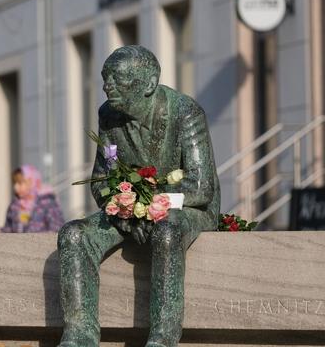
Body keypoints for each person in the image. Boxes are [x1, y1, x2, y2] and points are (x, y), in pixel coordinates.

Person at [57, 46, 220, 347]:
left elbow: (201, 187)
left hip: (188, 208)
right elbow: (102, 180)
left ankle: (162, 338)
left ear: (149, 82)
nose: (108, 86)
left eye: (118, 79)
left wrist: (151, 205)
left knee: (167, 229)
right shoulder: (108, 116)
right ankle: (80, 335)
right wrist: (127, 210)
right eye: (106, 79)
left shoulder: (185, 113)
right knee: (73, 235)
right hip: (128, 210)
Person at [1, 164, 64, 233]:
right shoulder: (14, 205)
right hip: (18, 243)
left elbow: (57, 227)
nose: (15, 187)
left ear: (32, 182)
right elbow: (8, 228)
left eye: (20, 183)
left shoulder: (47, 203)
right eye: (14, 183)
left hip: (41, 243)